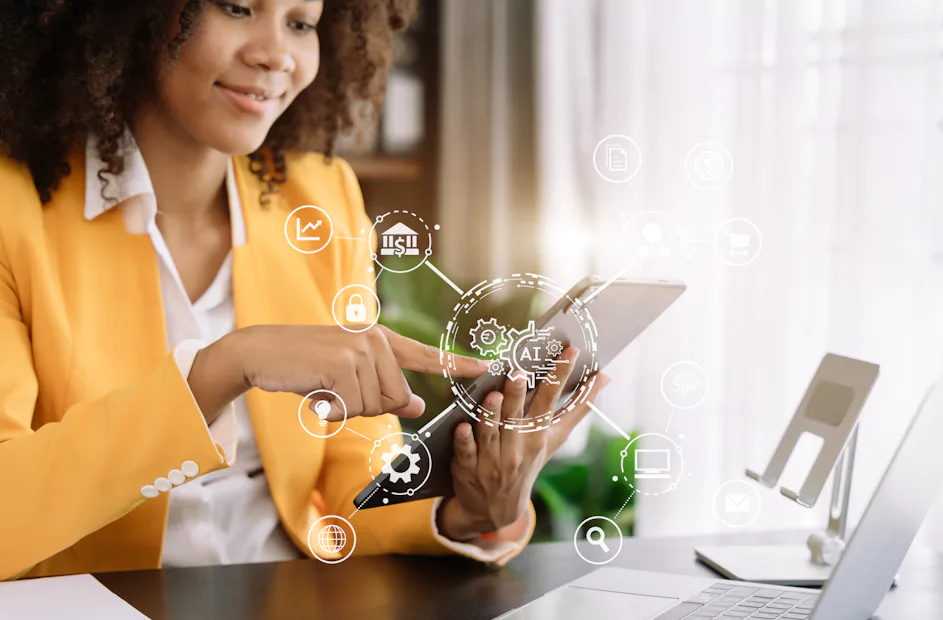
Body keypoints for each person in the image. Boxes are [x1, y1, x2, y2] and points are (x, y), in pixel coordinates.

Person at [0, 0, 611, 580]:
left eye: (301, 22)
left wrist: (471, 513)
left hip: (296, 608)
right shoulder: (13, 210)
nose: (276, 54)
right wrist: (225, 368)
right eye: (237, 8)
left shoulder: (321, 199)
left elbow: (352, 480)